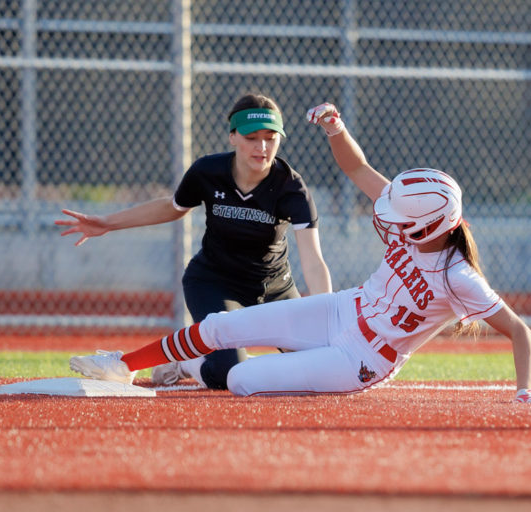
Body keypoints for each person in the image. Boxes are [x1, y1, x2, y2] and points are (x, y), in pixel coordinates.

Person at [69, 102, 531, 404]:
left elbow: (521, 333)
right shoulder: (417, 223)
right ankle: (123, 363)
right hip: (344, 309)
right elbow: (357, 168)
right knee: (219, 327)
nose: (389, 219)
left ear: (430, 226)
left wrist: (525, 393)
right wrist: (336, 129)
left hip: (362, 357)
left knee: (238, 380)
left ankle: (191, 365)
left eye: (402, 218)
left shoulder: (458, 276)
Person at [57, 93, 332, 390]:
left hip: (274, 288)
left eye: (270, 138)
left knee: (318, 366)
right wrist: (108, 222)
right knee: (229, 375)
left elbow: (313, 260)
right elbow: (173, 208)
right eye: (251, 137)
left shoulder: (291, 187)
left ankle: (201, 354)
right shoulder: (208, 172)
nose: (262, 147)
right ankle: (188, 361)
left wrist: (326, 318)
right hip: (215, 283)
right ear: (232, 137)